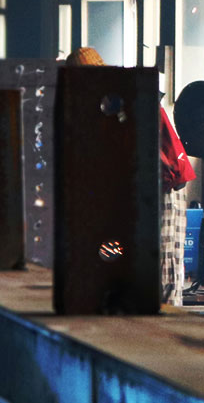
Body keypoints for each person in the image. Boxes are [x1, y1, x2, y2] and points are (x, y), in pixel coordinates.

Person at [65, 47, 195, 305]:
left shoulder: (121, 97)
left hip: (164, 186)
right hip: (144, 187)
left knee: (164, 261)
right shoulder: (106, 100)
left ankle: (167, 321)